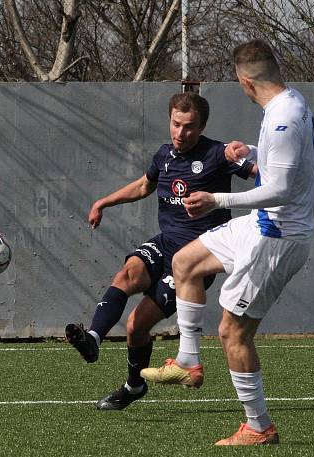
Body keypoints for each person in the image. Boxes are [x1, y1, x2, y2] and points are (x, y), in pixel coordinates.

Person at [141, 39, 314, 446]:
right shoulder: (287, 105)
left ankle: (259, 426)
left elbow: (282, 190)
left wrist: (217, 199)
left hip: (279, 237)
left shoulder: (283, 119)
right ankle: (187, 362)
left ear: (244, 81)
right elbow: (285, 164)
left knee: (232, 332)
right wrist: (252, 150)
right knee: (185, 261)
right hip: (260, 223)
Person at [65, 92, 255, 410]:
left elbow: (262, 174)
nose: (181, 133)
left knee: (135, 325)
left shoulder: (219, 155)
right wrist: (103, 202)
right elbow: (143, 186)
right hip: (165, 243)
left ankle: (133, 385)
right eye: (176, 124)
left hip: (194, 261)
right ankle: (93, 339)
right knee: (127, 274)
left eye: (190, 127)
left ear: (203, 126)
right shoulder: (164, 154)